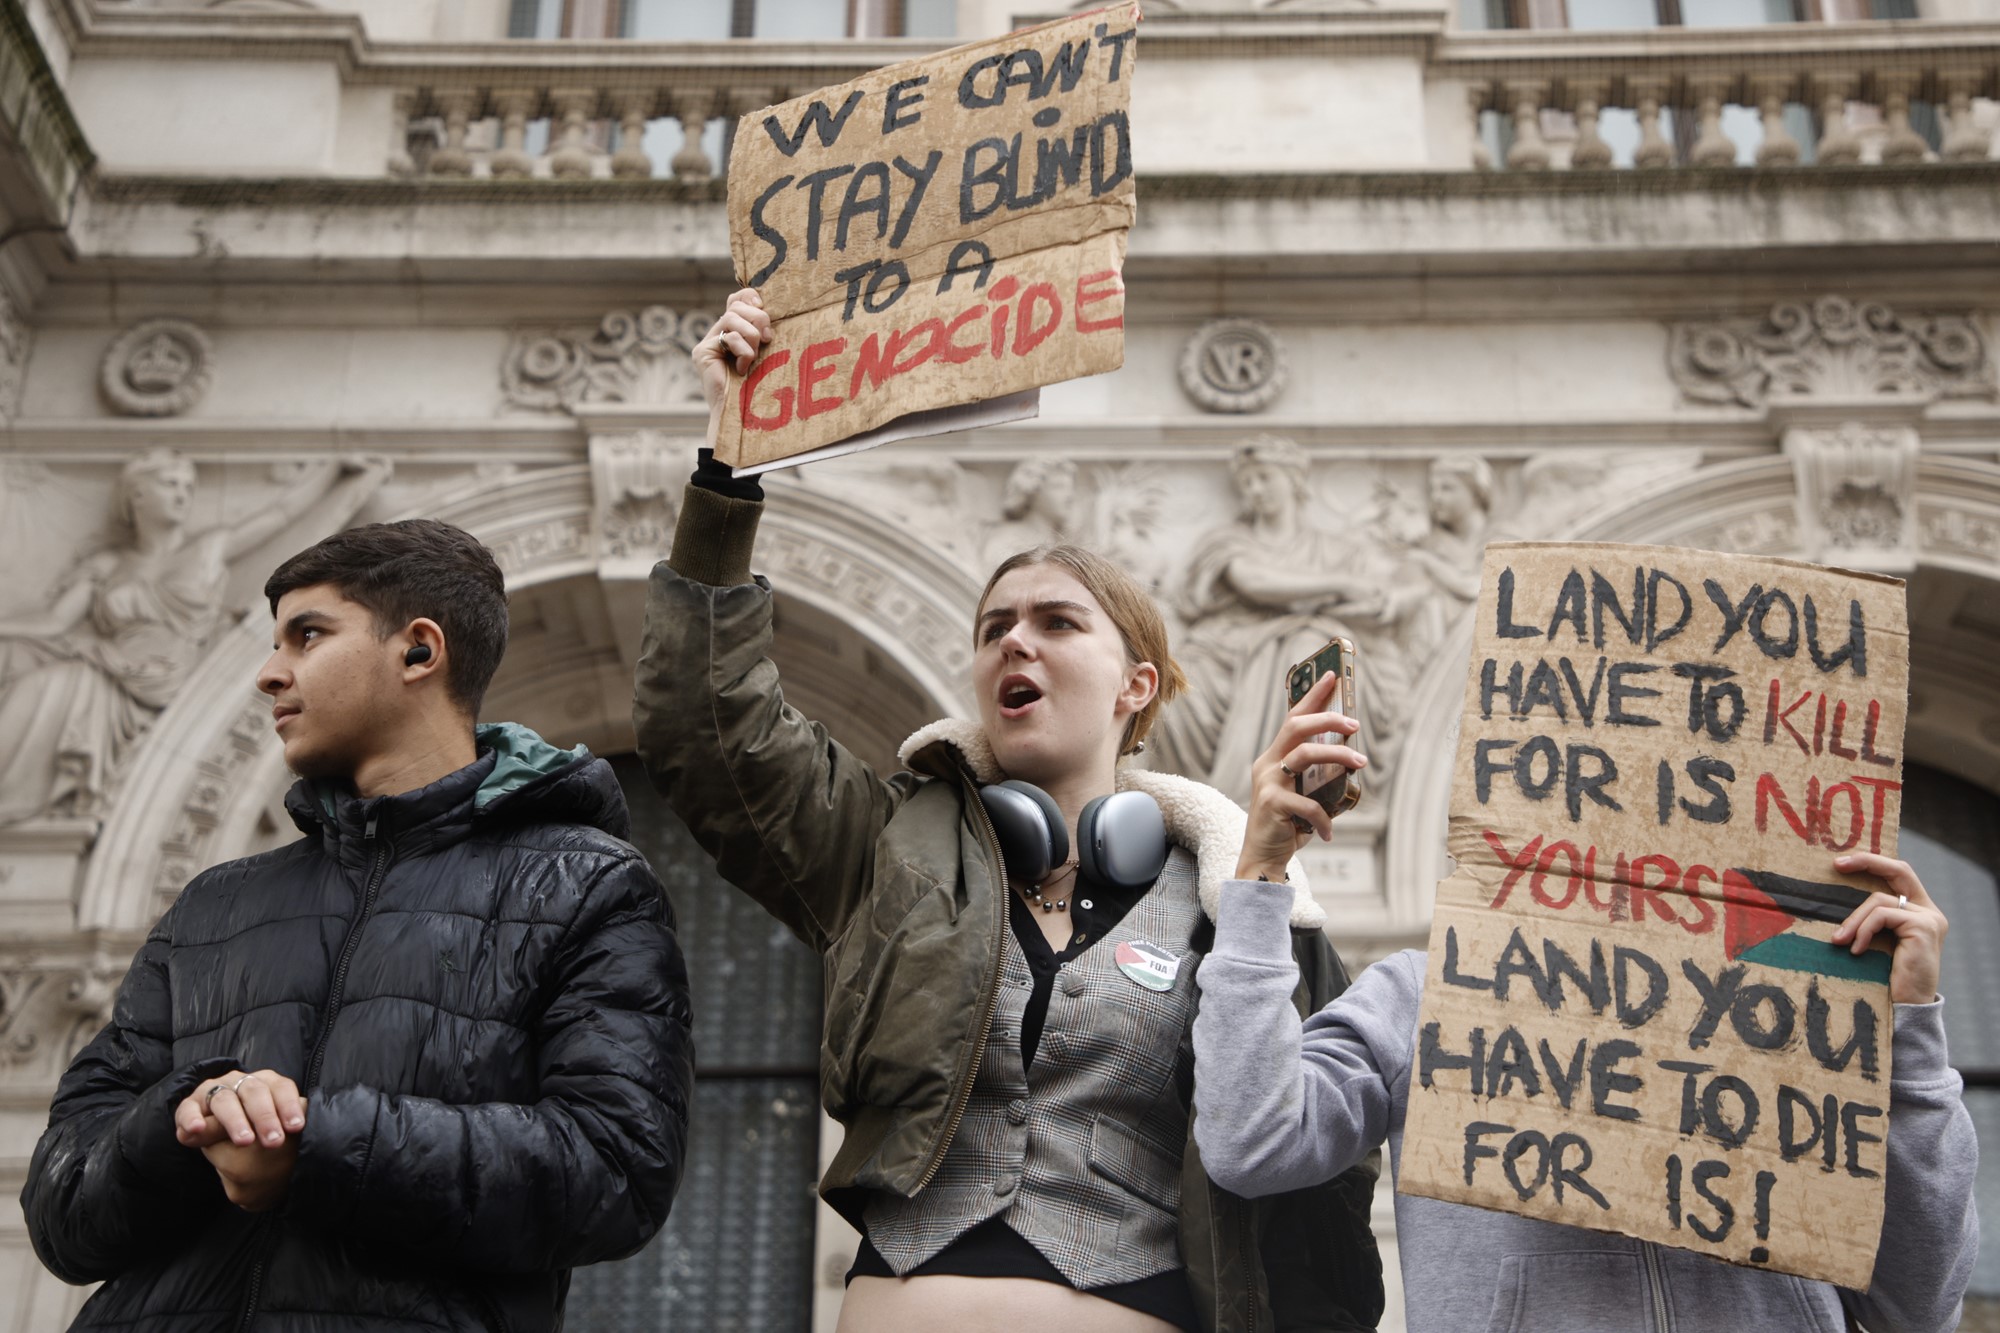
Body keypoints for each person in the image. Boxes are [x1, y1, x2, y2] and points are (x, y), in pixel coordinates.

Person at [633, 289, 1383, 1333]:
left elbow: (1320, 1189)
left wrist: (1258, 868)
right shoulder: (886, 845)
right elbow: (706, 723)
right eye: (994, 627)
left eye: (1054, 622)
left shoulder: (1242, 903)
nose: (1013, 643)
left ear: (1138, 687)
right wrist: (730, 468)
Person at [22, 518, 694, 1332]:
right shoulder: (213, 904)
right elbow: (61, 1213)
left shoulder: (589, 885)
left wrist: (314, 1142)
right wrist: (186, 1119)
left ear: (418, 650)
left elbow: (616, 1170)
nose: (271, 674)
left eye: (307, 635)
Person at [1191, 677, 1980, 1332]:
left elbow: (1918, 1304)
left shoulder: (1796, 1004)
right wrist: (1260, 876)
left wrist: (1905, 1029)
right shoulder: (1422, 992)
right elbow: (1252, 1140)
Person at [0, 449, 390, 824]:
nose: (182, 494)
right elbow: (52, 623)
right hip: (106, 669)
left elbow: (283, 515)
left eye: (187, 486)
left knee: (53, 685)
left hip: (166, 673)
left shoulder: (210, 547)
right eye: (170, 484)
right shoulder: (107, 564)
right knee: (39, 685)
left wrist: (339, 474)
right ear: (136, 494)